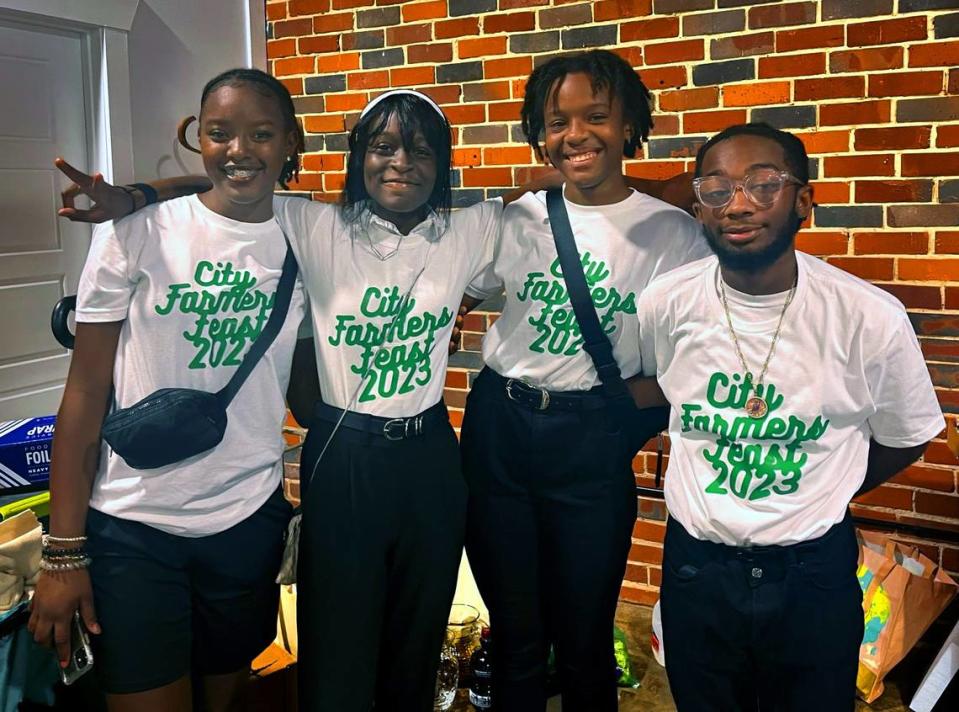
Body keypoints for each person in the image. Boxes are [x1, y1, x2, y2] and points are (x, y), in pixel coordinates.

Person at [636, 122, 944, 711]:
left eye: (762, 184)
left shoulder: (869, 317)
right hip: (697, 568)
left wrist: (823, 487)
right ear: (700, 208)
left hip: (811, 574)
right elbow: (656, 387)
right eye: (717, 189)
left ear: (804, 200)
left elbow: (909, 437)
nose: (739, 204)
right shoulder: (666, 302)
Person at [28, 68, 305, 712]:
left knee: (225, 697)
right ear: (197, 138)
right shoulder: (135, 232)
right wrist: (63, 552)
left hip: (246, 518)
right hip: (133, 526)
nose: (239, 150)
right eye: (219, 133)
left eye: (262, 134)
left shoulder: (308, 232)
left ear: (292, 142)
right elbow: (85, 393)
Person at [459, 49, 711, 711]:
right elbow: (462, 293)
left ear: (628, 124)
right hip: (499, 428)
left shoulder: (673, 236)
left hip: (588, 438)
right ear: (538, 133)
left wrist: (637, 399)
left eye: (594, 116)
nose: (575, 134)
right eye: (556, 120)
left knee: (584, 638)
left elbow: (704, 352)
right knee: (513, 634)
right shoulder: (517, 218)